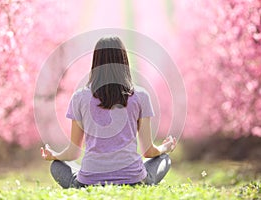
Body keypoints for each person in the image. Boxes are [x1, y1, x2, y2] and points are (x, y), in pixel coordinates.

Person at [40, 36, 177, 188]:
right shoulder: (141, 96)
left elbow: (73, 153)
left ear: (96, 63)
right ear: (124, 61)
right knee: (164, 159)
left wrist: (55, 156)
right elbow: (148, 152)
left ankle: (83, 180)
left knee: (56, 166)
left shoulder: (79, 97)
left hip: (88, 182)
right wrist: (166, 147)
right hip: (134, 180)